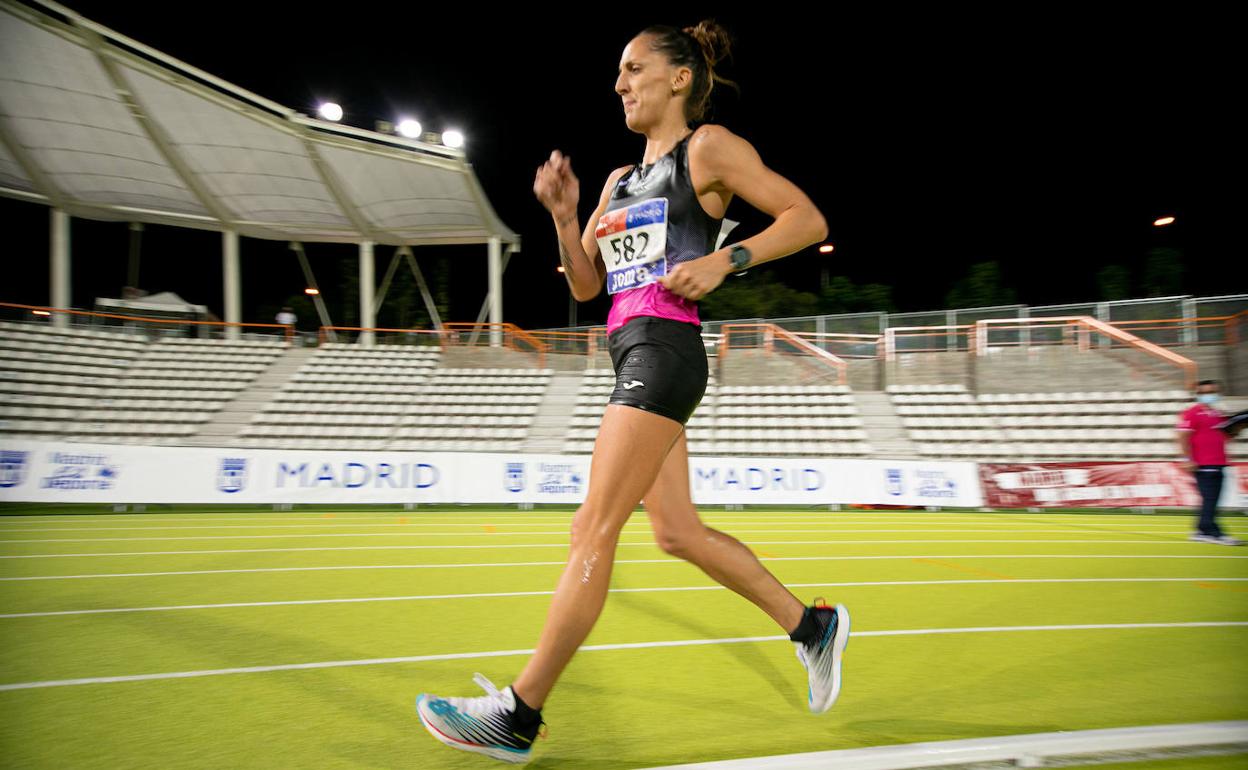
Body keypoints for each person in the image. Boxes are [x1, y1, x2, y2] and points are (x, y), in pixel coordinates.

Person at [416, 21, 847, 764]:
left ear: (679, 78)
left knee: (594, 526)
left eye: (634, 68)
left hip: (665, 346)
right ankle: (811, 628)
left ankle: (518, 714)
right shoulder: (617, 181)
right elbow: (586, 287)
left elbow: (807, 219)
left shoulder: (707, 149)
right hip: (629, 349)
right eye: (618, 73)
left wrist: (726, 262)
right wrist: (561, 214)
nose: (620, 83)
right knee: (675, 532)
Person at [1176, 379, 1241, 545]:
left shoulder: (1218, 414)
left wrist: (1236, 429)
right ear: (1198, 395)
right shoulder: (1192, 413)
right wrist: (1187, 459)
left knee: (1211, 499)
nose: (1208, 395)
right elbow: (1183, 436)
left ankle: (1200, 531)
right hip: (1204, 463)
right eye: (1204, 392)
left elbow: (1225, 436)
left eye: (1212, 392)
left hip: (1219, 461)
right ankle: (1213, 532)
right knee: (1211, 499)